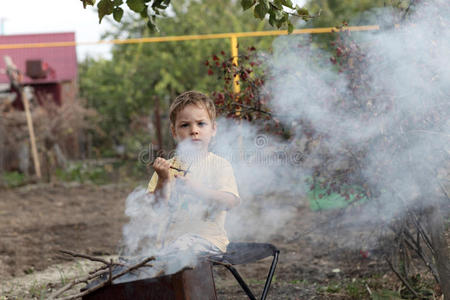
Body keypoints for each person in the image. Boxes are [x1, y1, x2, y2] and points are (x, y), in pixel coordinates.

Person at [146, 91, 240, 275]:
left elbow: (230, 202)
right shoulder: (167, 168)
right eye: (185, 125)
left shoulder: (219, 165)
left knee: (182, 248)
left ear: (213, 129)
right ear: (174, 131)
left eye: (201, 123)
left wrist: (195, 189)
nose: (194, 130)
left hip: (209, 242)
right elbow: (155, 207)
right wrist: (164, 179)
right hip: (170, 246)